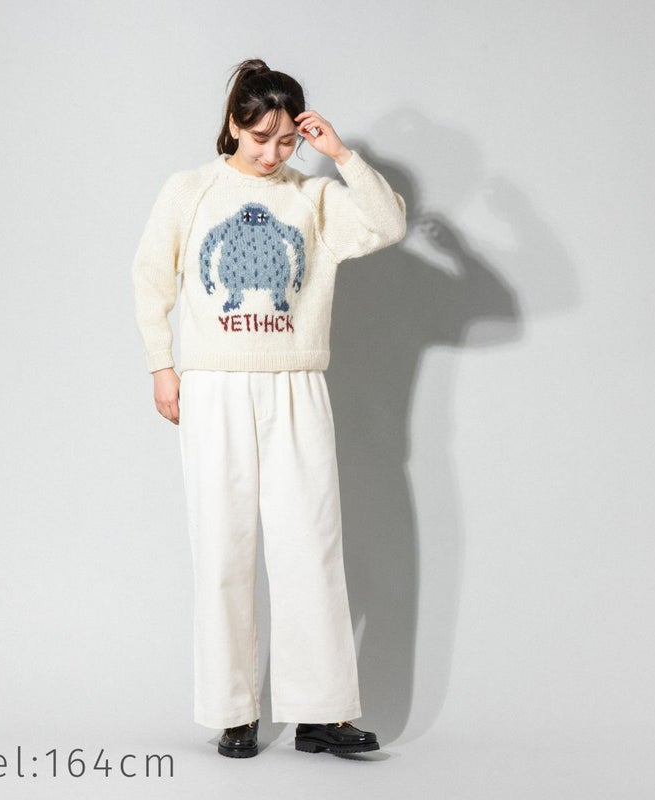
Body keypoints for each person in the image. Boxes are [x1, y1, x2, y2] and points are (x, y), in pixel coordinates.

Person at [131, 58, 406, 758]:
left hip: (295, 384)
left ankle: (321, 712)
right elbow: (150, 275)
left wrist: (341, 154)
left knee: (310, 544)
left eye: (287, 141)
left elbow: (389, 224)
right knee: (222, 546)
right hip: (215, 386)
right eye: (261, 138)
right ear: (235, 122)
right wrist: (162, 365)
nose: (273, 154)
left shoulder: (313, 197)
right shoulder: (189, 190)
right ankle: (234, 711)